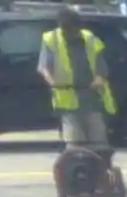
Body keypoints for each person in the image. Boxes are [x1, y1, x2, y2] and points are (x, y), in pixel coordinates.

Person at [39, 8, 116, 151]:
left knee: (98, 141)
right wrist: (52, 82)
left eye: (72, 29)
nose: (70, 33)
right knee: (74, 143)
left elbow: (101, 65)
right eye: (66, 29)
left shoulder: (89, 39)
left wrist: (99, 78)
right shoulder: (51, 39)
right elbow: (44, 67)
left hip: (91, 97)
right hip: (67, 99)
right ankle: (77, 169)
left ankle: (101, 168)